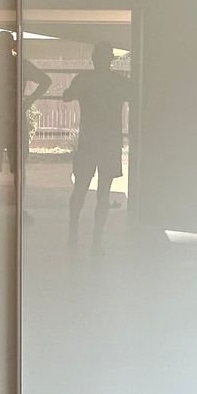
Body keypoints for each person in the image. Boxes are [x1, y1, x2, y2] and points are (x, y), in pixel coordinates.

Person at [0, 31, 52, 214]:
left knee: (6, 166)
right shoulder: (15, 65)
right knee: (1, 165)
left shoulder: (3, 65)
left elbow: (46, 81)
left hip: (7, 118)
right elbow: (46, 81)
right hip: (3, 118)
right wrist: (28, 101)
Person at [63, 43, 131, 249]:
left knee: (80, 189)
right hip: (109, 142)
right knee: (103, 194)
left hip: (89, 141)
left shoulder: (84, 81)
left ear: (93, 58)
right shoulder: (120, 83)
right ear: (111, 59)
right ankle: (96, 242)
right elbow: (139, 98)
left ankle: (73, 235)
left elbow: (66, 96)